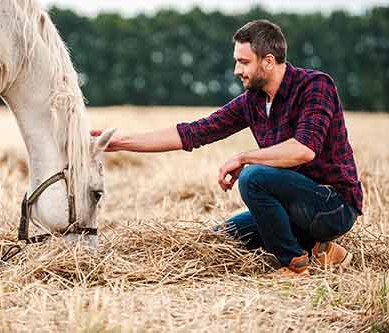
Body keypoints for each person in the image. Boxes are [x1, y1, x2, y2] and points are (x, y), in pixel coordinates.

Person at [92, 20, 362, 277]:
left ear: (268, 61)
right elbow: (192, 132)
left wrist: (244, 158)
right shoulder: (252, 101)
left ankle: (294, 264)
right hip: (293, 206)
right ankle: (320, 249)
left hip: (333, 206)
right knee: (222, 236)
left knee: (253, 177)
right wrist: (117, 143)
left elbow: (303, 149)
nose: (236, 70)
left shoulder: (315, 86)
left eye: (244, 62)